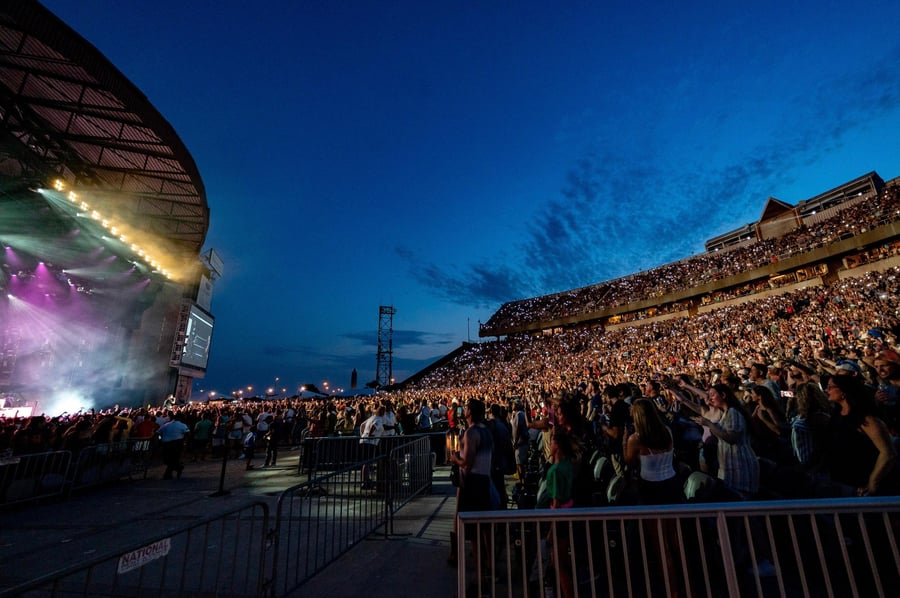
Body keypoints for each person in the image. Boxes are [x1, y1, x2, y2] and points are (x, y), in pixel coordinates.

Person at [824, 375, 899, 496]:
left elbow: (888, 453)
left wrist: (872, 482)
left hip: (863, 486)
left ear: (844, 391)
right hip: (844, 482)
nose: (826, 390)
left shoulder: (865, 419)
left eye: (830, 387)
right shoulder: (836, 415)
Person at [688, 384, 759, 498]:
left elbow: (731, 438)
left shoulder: (733, 412)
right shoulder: (726, 413)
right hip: (729, 464)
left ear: (723, 395)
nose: (709, 398)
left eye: (712, 395)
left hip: (739, 463)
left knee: (742, 502)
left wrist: (708, 424)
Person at [447, 399, 494, 568]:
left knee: (474, 531)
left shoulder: (471, 433)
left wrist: (454, 458)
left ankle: (481, 576)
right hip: (484, 480)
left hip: (472, 482)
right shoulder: (486, 431)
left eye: (466, 407)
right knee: (484, 526)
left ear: (470, 412)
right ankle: (489, 565)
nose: (463, 409)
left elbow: (467, 463)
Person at [158, 414, 190, 480]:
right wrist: (185, 442)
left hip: (166, 444)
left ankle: (168, 473)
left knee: (169, 459)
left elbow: (158, 433)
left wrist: (161, 439)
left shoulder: (166, 425)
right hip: (177, 443)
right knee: (173, 459)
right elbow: (188, 433)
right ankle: (178, 468)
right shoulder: (182, 425)